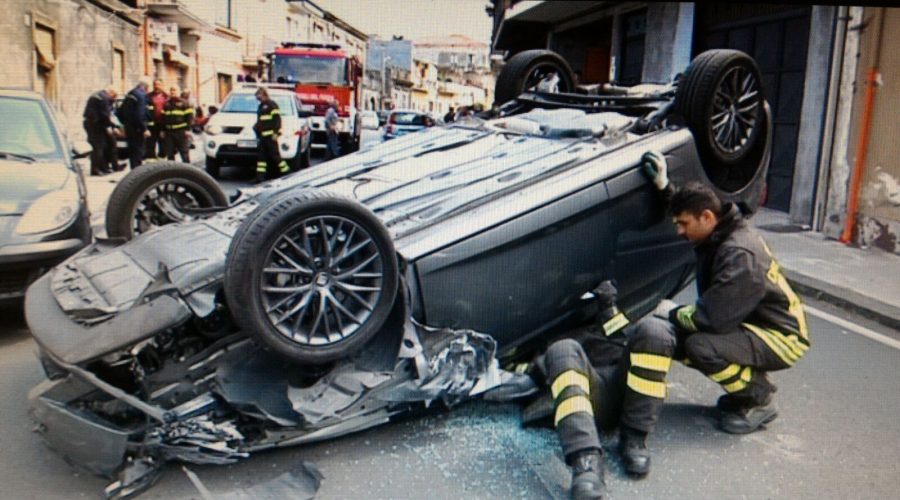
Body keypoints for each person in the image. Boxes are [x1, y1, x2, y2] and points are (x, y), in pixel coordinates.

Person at [543, 151, 810, 498]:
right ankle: (587, 463)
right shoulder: (716, 227)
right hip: (736, 323)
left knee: (693, 343)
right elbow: (693, 207)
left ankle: (756, 397)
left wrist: (670, 312)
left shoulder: (739, 254)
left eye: (683, 225)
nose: (679, 231)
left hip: (780, 336)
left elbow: (711, 319)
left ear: (707, 217)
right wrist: (666, 187)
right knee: (574, 348)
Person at [252, 87, 290, 182]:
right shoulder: (261, 106)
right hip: (263, 137)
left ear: (263, 94)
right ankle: (260, 178)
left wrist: (276, 133)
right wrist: (256, 128)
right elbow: (261, 120)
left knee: (275, 156)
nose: (257, 98)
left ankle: (287, 173)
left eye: (258, 95)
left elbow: (277, 119)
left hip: (270, 136)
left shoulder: (271, 105)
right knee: (261, 158)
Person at [117, 76, 152, 169]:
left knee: (132, 151)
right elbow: (140, 114)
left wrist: (124, 124)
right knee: (138, 151)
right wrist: (144, 128)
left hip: (129, 127)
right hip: (137, 129)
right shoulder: (141, 96)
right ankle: (137, 173)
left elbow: (119, 112)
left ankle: (133, 171)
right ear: (146, 86)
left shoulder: (130, 94)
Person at [82, 85, 117, 176]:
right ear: (111, 93)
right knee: (98, 147)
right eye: (113, 97)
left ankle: (102, 167)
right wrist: (109, 126)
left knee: (100, 146)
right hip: (96, 125)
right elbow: (105, 114)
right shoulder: (104, 98)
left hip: (90, 123)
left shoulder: (97, 95)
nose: (112, 99)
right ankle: (96, 169)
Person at [162, 86, 193, 163]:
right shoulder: (166, 104)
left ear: (178, 92)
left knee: (184, 153)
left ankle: (187, 171)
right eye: (171, 90)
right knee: (170, 154)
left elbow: (189, 117)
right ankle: (172, 172)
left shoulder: (184, 103)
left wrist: (188, 130)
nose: (172, 92)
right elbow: (163, 118)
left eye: (174, 90)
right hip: (169, 132)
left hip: (181, 132)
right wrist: (162, 130)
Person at [145, 79, 167, 159]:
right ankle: (151, 161)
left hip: (163, 124)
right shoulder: (148, 97)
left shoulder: (166, 97)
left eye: (158, 84)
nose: (156, 86)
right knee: (150, 144)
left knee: (163, 144)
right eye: (155, 84)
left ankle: (162, 160)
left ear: (162, 85)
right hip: (151, 124)